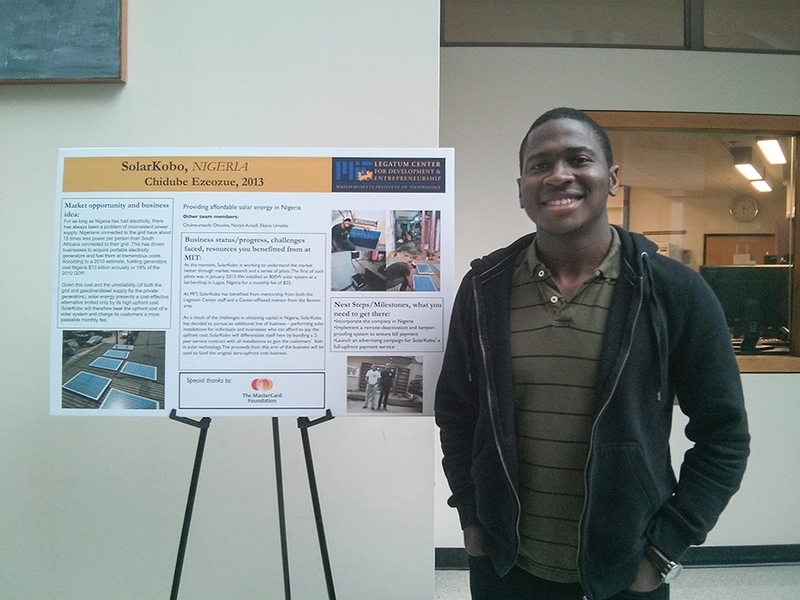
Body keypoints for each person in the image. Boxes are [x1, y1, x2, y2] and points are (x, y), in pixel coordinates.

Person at [434, 107, 749, 600]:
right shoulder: (484, 288)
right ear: (521, 189)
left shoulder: (674, 292)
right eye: (539, 165)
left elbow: (724, 436)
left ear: (612, 179)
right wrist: (472, 520)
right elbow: (456, 412)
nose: (558, 175)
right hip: (505, 568)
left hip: (625, 569)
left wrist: (663, 551)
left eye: (579, 159)